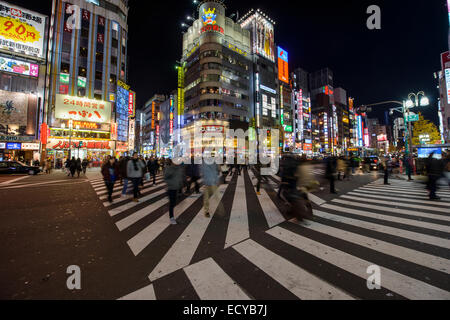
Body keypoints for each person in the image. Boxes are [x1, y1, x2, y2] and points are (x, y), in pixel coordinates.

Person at [164, 159, 183, 225]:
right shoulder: (169, 168)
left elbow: (180, 177)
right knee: (172, 203)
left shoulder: (179, 168)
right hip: (171, 188)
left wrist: (182, 183)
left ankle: (172, 216)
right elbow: (165, 177)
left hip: (176, 188)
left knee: (174, 202)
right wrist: (171, 184)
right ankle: (171, 218)